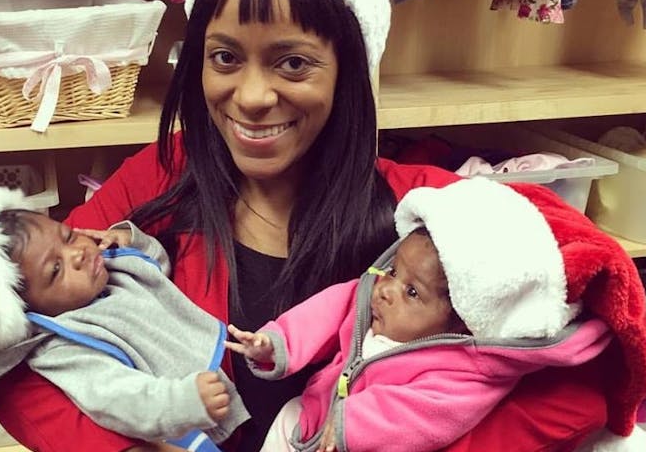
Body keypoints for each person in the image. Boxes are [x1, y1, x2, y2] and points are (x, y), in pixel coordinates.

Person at [0, 0, 645, 450]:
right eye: (224, 57)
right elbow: (4, 336)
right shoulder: (156, 184)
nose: (251, 96)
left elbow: (590, 339)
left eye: (292, 62)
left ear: (347, 72)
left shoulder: (418, 217)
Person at [225, 177, 624, 452]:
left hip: (371, 439)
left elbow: (425, 415)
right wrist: (276, 342)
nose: (386, 290)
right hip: (316, 414)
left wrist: (354, 427)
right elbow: (328, 311)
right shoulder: (374, 298)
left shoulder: (466, 371)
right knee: (289, 413)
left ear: (459, 321)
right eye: (393, 270)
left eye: (412, 291)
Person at [0, 185, 250, 451]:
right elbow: (116, 399)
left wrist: (131, 241)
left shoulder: (106, 270)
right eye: (55, 270)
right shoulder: (64, 348)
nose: (78, 253)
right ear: (25, 313)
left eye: (68, 235)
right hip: (191, 425)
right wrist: (181, 403)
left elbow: (155, 271)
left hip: (228, 386)